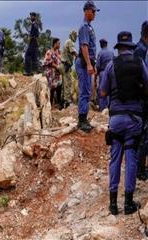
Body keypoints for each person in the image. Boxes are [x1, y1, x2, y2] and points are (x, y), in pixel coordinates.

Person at [100, 31, 148, 215]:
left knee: (115, 159)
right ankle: (128, 203)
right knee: (131, 159)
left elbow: (103, 93)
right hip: (135, 118)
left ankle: (113, 204)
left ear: (119, 48)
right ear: (131, 48)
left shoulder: (111, 66)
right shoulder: (140, 63)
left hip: (116, 119)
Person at [76, 0, 99, 133]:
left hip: (88, 62)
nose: (95, 13)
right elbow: (84, 46)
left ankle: (84, 118)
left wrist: (92, 64)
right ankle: (81, 120)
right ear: (86, 11)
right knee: (84, 91)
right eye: (93, 11)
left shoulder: (89, 26)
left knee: (88, 91)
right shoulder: (84, 27)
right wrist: (89, 64)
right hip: (84, 62)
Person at [134, 21, 148, 181]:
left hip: (141, 97)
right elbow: (142, 78)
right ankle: (140, 169)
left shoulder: (140, 49)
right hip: (143, 99)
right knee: (144, 133)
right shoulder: (141, 50)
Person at [43, 38, 63, 108]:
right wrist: (57, 67)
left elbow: (61, 60)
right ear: (55, 44)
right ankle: (50, 104)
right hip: (51, 73)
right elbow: (48, 62)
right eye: (58, 43)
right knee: (52, 88)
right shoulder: (49, 52)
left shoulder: (59, 52)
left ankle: (59, 104)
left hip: (57, 74)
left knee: (59, 87)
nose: (59, 45)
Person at [60, 30, 78, 108]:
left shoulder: (67, 41)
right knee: (68, 83)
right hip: (66, 64)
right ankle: (66, 102)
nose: (76, 37)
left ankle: (62, 100)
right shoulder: (70, 42)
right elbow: (73, 52)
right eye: (75, 36)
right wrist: (79, 56)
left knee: (65, 83)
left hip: (65, 64)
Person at [96, 39, 114, 111]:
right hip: (112, 72)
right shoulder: (111, 52)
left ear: (101, 45)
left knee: (102, 89)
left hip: (103, 72)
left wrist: (96, 75)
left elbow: (97, 65)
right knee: (110, 90)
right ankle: (109, 107)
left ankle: (102, 107)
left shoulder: (100, 53)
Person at [24, 12, 40, 76]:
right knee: (34, 57)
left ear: (34, 17)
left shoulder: (35, 24)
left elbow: (36, 34)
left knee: (27, 55)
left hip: (33, 41)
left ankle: (28, 72)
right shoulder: (34, 24)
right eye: (30, 16)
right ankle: (35, 71)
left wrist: (31, 38)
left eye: (32, 16)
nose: (31, 17)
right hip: (34, 42)